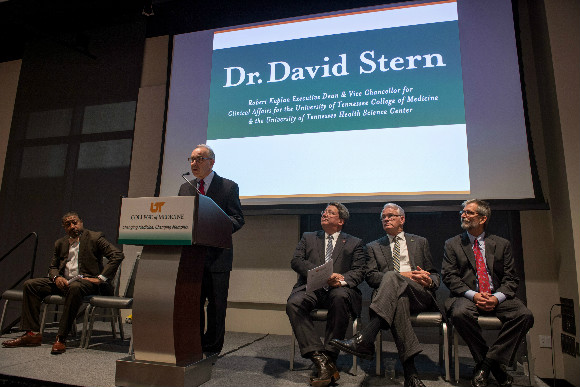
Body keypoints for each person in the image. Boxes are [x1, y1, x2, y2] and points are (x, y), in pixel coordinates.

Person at [330, 203, 439, 387]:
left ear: (402, 219)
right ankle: (411, 374)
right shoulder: (373, 246)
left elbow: (434, 274)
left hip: (419, 295)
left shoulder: (420, 242)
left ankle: (366, 336)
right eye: (383, 217)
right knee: (398, 297)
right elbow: (371, 277)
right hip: (393, 299)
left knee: (392, 278)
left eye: (390, 216)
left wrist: (429, 281)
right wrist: (401, 275)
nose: (386, 219)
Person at [2, 212, 124, 354]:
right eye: (68, 224)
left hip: (88, 284)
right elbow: (53, 267)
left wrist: (100, 278)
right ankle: (32, 334)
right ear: (64, 228)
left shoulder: (95, 238)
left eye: (75, 222)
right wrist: (56, 278)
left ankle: (61, 338)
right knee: (31, 285)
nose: (72, 226)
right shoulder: (60, 243)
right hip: (66, 283)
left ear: (81, 222)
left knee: (75, 287)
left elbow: (117, 255)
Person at [442, 199, 534, 387]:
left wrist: (496, 297)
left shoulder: (501, 244)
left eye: (469, 212)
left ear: (483, 218)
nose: (463, 215)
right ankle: (493, 366)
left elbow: (511, 279)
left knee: (524, 316)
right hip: (467, 296)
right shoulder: (453, 244)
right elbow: (450, 277)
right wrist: (473, 295)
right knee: (459, 314)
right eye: (463, 212)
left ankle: (487, 364)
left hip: (497, 295)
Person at [286, 202, 366, 387]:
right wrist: (322, 273)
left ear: (340, 221)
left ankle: (330, 355)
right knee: (294, 303)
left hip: (339, 289)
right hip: (312, 287)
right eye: (324, 212)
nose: (325, 215)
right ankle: (319, 358)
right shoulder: (308, 237)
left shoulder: (354, 242)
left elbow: (360, 271)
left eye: (330, 213)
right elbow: (296, 261)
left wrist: (340, 279)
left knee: (339, 298)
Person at [178, 144, 244, 354]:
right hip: (192, 257)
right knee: (193, 305)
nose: (193, 163)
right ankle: (194, 344)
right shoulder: (185, 188)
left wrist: (215, 227)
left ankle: (213, 348)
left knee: (216, 307)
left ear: (211, 162)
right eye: (191, 159)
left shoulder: (228, 187)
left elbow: (237, 219)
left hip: (217, 258)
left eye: (198, 159)